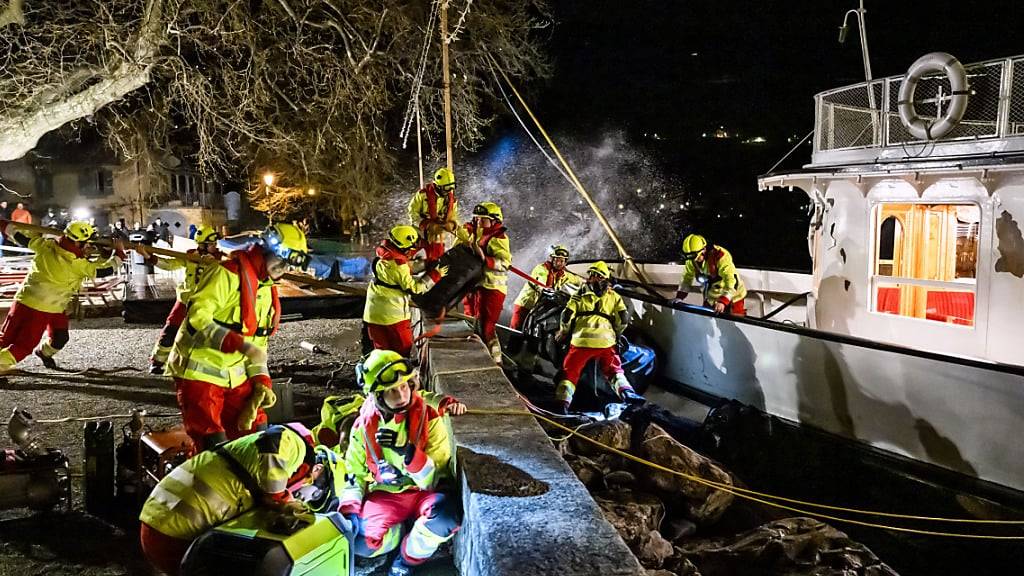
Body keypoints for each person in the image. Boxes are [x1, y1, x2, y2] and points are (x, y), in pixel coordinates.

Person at [165, 222, 310, 451]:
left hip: (235, 377)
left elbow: (258, 345)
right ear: (265, 250)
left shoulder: (266, 288)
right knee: (214, 448)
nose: (283, 268)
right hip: (199, 374)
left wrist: (262, 381)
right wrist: (234, 342)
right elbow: (196, 320)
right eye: (280, 259)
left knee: (258, 438)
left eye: (288, 263)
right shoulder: (226, 274)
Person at [340, 350, 465, 576]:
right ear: (376, 395)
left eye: (404, 386)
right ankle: (398, 532)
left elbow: (435, 478)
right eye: (391, 390)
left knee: (446, 517)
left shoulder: (429, 417)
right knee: (358, 541)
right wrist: (349, 512)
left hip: (423, 492)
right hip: (386, 494)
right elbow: (354, 474)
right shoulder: (362, 428)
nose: (401, 395)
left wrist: (408, 453)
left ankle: (405, 560)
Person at [138, 423, 321, 575]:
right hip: (174, 535)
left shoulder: (244, 460)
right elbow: (274, 441)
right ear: (304, 469)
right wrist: (282, 499)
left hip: (155, 522)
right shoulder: (294, 443)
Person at [0, 220, 124, 371]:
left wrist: (6, 227)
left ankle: (44, 353)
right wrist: (119, 253)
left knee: (57, 336)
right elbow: (103, 271)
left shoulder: (46, 246)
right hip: (43, 308)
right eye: (87, 243)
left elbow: (22, 239)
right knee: (24, 346)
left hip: (27, 300)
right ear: (77, 243)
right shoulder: (76, 264)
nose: (89, 247)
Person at [554, 261, 641, 413]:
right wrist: (617, 334)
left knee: (570, 373)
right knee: (614, 371)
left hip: (581, 342)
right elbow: (624, 318)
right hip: (606, 343)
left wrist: (563, 332)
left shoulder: (579, 294)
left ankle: (562, 405)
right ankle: (629, 395)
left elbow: (566, 315)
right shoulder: (613, 296)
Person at [139, 225, 224, 374]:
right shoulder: (190, 256)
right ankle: (158, 361)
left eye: (215, 244)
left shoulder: (222, 260)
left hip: (210, 303)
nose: (215, 247)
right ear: (201, 245)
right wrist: (148, 256)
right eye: (211, 244)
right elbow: (169, 264)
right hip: (186, 301)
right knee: (170, 330)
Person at [363, 225, 448, 357]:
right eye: (410, 248)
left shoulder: (382, 258)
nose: (411, 251)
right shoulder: (399, 266)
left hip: (373, 315)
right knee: (403, 350)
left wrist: (424, 265)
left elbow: (401, 272)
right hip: (393, 317)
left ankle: (384, 374)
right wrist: (435, 275)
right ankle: (402, 375)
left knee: (381, 353)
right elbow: (414, 288)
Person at [455, 202, 511, 364]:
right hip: (475, 287)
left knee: (486, 327)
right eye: (477, 218)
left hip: (492, 288)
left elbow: (505, 264)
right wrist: (464, 234)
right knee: (472, 323)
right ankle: (477, 358)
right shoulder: (475, 233)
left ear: (494, 221)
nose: (479, 222)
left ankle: (496, 362)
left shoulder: (499, 238)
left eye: (483, 219)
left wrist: (485, 259)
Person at [674, 234, 747, 315]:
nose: (695, 260)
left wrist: (723, 300)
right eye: (690, 257)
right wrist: (679, 297)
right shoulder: (691, 260)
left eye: (696, 256)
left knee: (735, 319)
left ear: (703, 250)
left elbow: (732, 280)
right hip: (711, 297)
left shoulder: (720, 256)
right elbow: (686, 279)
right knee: (706, 320)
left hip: (733, 296)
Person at [510, 244, 578, 330]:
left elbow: (576, 279)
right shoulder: (541, 268)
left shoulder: (563, 275)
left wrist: (587, 280)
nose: (559, 263)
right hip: (526, 305)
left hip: (540, 309)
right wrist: (546, 288)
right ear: (552, 259)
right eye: (556, 260)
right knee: (516, 329)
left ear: (565, 262)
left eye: (562, 261)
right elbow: (541, 280)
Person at [407, 168, 459, 264]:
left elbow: (454, 216)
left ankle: (435, 271)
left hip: (438, 236)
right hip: (419, 234)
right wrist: (427, 225)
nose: (449, 191)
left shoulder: (452, 201)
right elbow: (412, 213)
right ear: (437, 186)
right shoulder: (423, 195)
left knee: (436, 258)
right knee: (418, 260)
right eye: (447, 188)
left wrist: (452, 224)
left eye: (452, 187)